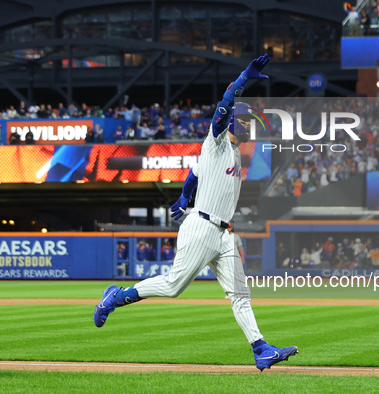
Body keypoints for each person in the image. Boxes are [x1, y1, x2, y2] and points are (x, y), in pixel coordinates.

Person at [93, 55, 298, 371]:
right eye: (243, 120)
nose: (246, 125)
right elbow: (226, 103)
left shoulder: (233, 154)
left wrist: (183, 197)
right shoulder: (215, 141)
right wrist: (244, 76)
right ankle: (117, 298)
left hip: (223, 234)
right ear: (230, 122)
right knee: (174, 287)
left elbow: (195, 173)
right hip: (201, 227)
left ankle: (261, 349)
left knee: (240, 293)